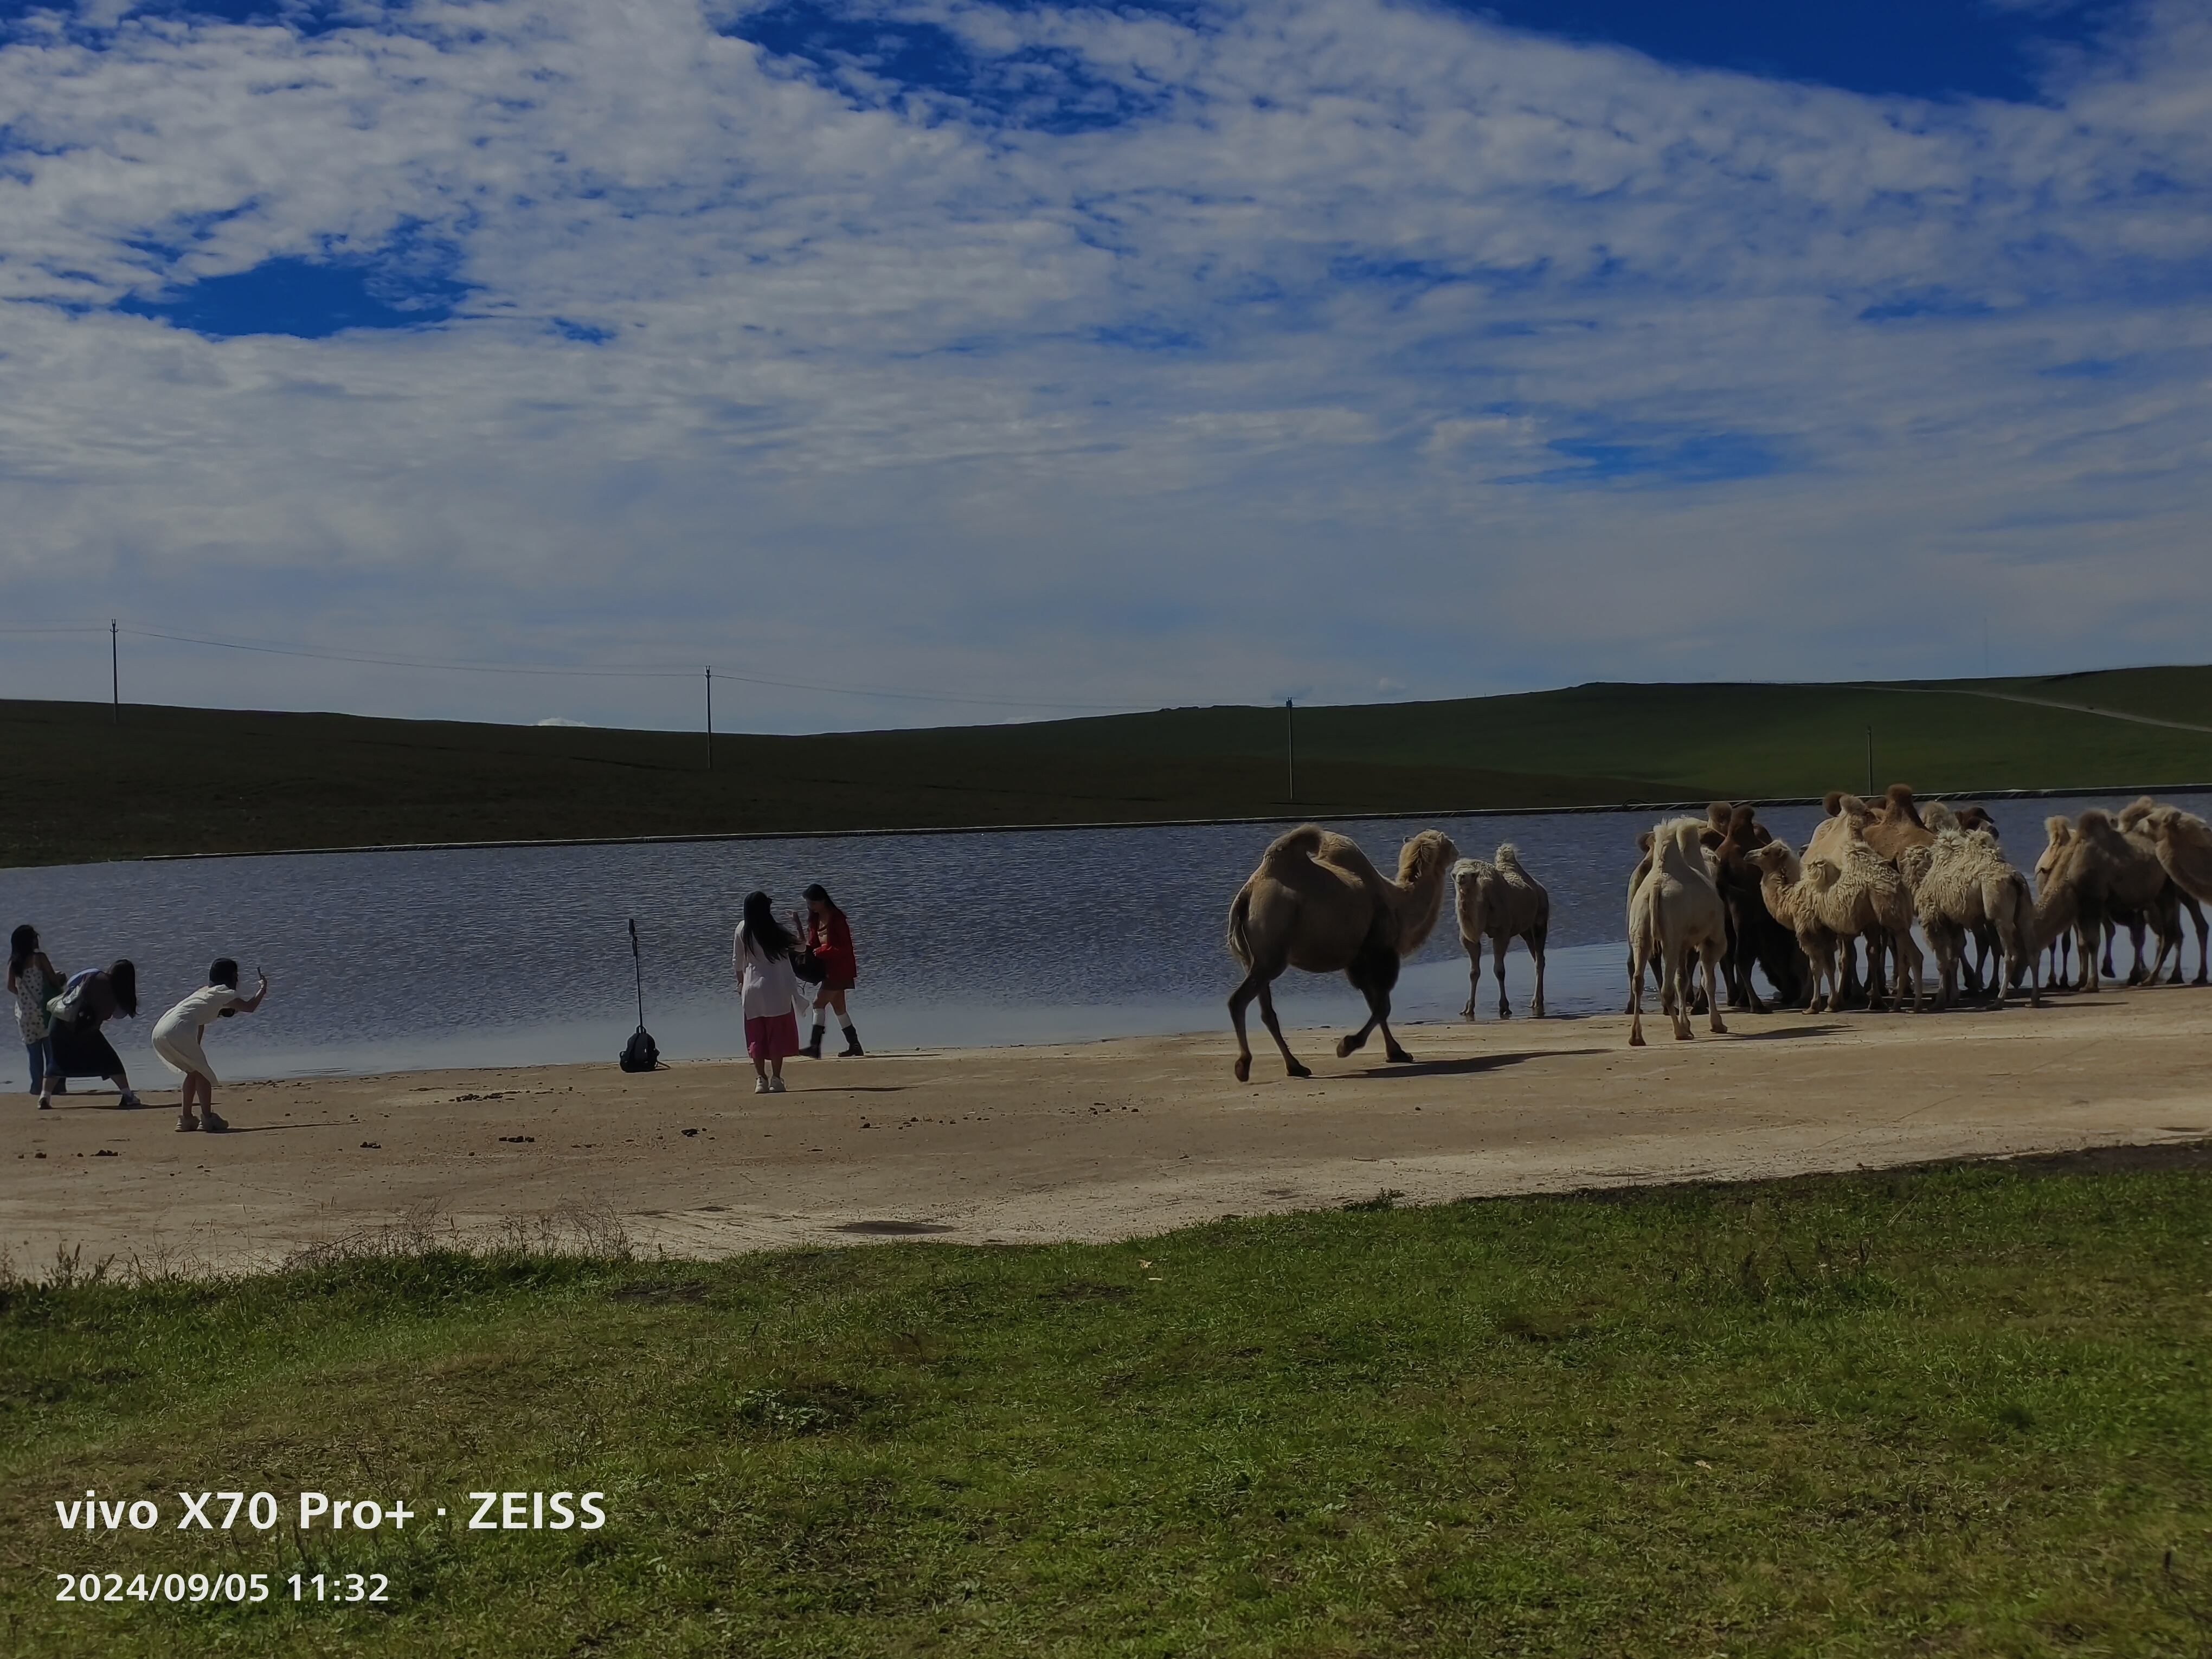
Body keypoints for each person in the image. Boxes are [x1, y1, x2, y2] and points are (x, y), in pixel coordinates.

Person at [152, 959, 268, 1133]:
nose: (237, 980)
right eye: (236, 976)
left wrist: (196, 1052)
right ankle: (207, 1119)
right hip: (177, 1031)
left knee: (194, 1072)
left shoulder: (204, 993)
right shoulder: (224, 993)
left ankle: (186, 1119)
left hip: (160, 1031)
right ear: (230, 977)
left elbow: (199, 1024)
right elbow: (250, 1007)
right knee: (202, 1074)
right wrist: (263, 989)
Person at [44, 959, 145, 1108]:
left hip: (59, 1020)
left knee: (57, 1060)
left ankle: (44, 1098)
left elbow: (72, 982)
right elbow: (118, 1015)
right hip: (84, 1027)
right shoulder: (116, 992)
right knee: (111, 1061)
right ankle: (127, 1095)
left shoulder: (93, 973)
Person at [734, 890, 803, 1094]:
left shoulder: (742, 929)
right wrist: (798, 923)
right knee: (777, 1035)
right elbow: (802, 946)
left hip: (751, 988)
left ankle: (760, 1080)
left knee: (756, 1034)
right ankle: (776, 1079)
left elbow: (737, 963)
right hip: (776, 989)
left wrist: (741, 985)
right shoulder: (775, 930)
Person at [792, 883, 863, 1058]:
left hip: (840, 970)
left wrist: (822, 952)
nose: (811, 907)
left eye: (813, 904)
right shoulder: (815, 920)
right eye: (809, 904)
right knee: (839, 1007)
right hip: (827, 969)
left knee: (818, 1004)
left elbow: (845, 948)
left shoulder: (837, 918)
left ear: (822, 901)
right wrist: (798, 924)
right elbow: (811, 945)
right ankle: (855, 1045)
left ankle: (815, 1047)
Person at [9, 925, 66, 1105]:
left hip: (25, 1013)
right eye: (35, 937)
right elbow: (52, 979)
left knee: (33, 1052)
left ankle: (36, 1087)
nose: (37, 940)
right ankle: (54, 1088)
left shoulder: (14, 963)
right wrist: (61, 979)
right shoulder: (39, 959)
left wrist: (23, 994)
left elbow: (10, 986)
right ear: (30, 941)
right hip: (44, 1010)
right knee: (52, 1051)